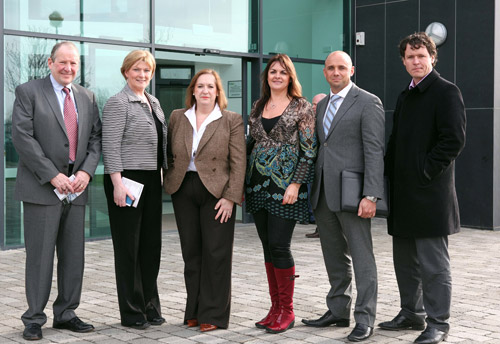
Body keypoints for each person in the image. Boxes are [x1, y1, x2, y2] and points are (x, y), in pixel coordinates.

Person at [378, 32, 466, 344]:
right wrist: (385, 173)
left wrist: (425, 171)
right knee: (405, 261)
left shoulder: (446, 92)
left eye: (421, 56)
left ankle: (438, 323)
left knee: (433, 265)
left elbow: (453, 140)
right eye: (410, 57)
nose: (416, 61)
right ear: (403, 61)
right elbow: (397, 140)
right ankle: (411, 313)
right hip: (403, 194)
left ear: (432, 57)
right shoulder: (406, 95)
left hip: (429, 194)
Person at [11, 41, 102, 340]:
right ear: (50, 63)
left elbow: (95, 139)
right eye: (62, 62)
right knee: (39, 257)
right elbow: (23, 138)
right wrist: (52, 176)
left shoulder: (87, 97)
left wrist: (87, 172)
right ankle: (34, 318)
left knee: (73, 256)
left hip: (77, 188)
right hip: (42, 189)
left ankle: (66, 313)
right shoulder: (28, 92)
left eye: (73, 63)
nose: (68, 68)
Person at [302, 51, 385, 342]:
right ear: (324, 72)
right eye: (330, 68)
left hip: (353, 193)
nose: (336, 72)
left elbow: (374, 151)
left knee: (362, 257)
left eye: (341, 68)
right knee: (334, 256)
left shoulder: (368, 102)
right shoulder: (322, 104)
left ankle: (365, 319)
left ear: (352, 70)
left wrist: (371, 195)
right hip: (324, 192)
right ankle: (338, 310)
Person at [164, 69, 246, 332]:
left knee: (216, 253)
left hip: (217, 193)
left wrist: (230, 197)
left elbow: (238, 162)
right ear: (193, 90)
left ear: (218, 92)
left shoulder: (230, 119)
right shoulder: (178, 117)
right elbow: (168, 153)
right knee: (192, 253)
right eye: (200, 86)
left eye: (211, 86)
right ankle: (194, 311)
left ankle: (213, 314)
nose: (205, 91)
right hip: (183, 189)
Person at [245, 54, 317, 334]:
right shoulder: (258, 105)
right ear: (267, 77)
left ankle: (287, 311)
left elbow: (309, 152)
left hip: (286, 185)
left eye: (282, 72)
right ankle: (274, 308)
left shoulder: (302, 107)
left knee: (279, 244)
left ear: (290, 77)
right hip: (257, 183)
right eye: (272, 71)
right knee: (266, 246)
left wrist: (296, 184)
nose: (277, 76)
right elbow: (251, 144)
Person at [102, 50, 167, 330]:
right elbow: (111, 145)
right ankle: (131, 311)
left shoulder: (153, 101)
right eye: (137, 69)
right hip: (127, 178)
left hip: (152, 179)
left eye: (147, 70)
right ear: (126, 71)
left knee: (151, 246)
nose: (142, 75)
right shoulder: (118, 103)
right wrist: (117, 183)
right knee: (129, 247)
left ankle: (150, 305)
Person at [305, 92, 327, 239]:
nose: (313, 107)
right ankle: (319, 227)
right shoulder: (310, 120)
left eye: (315, 104)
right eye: (312, 103)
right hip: (312, 165)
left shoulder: (326, 120)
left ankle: (322, 228)